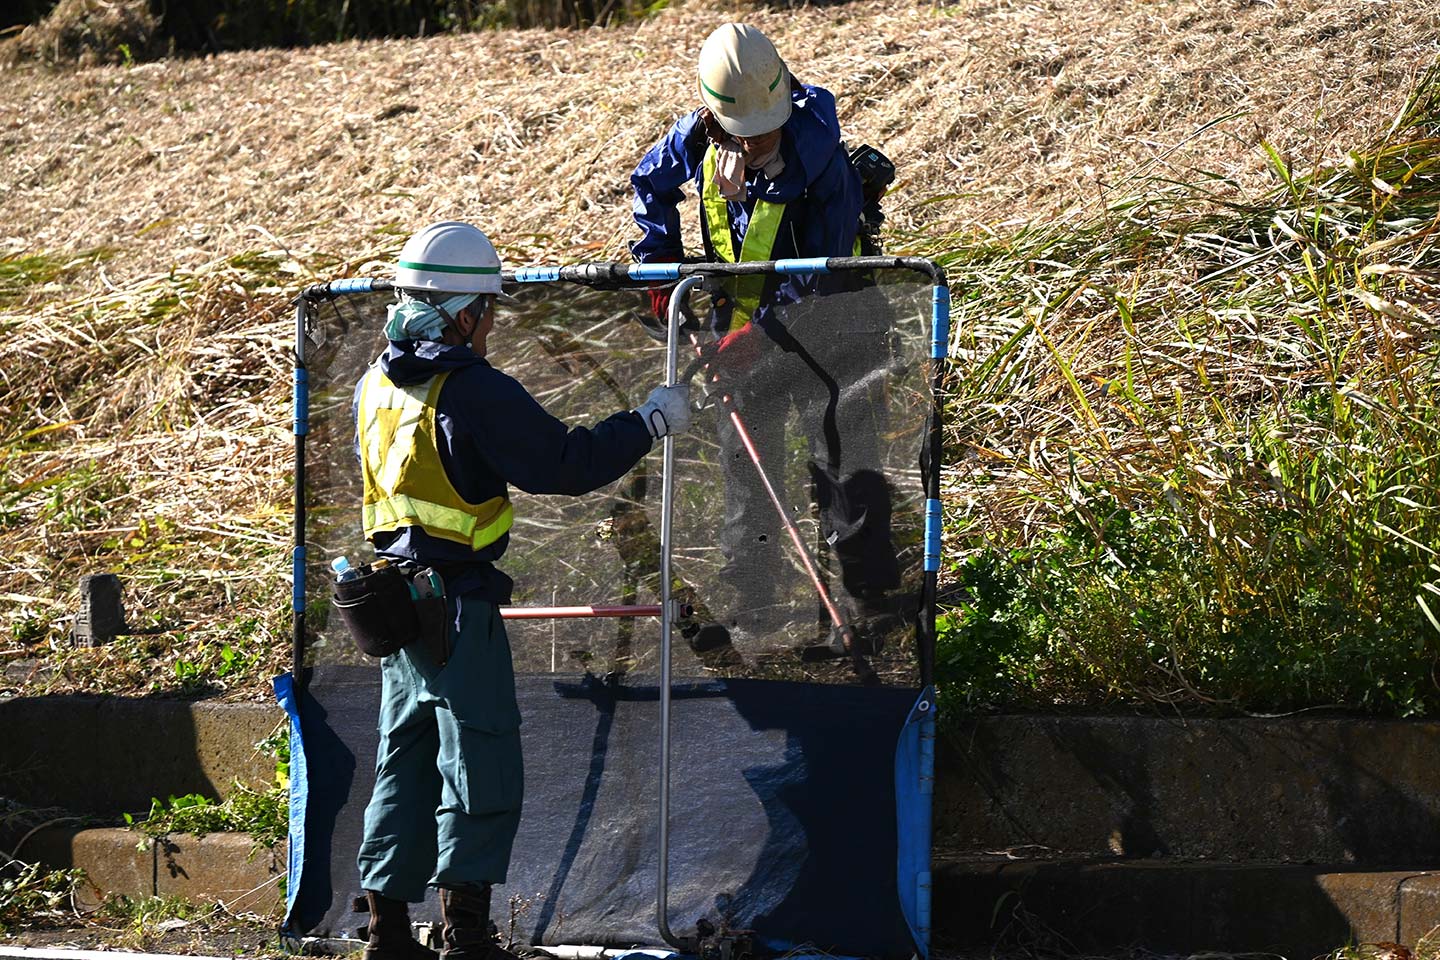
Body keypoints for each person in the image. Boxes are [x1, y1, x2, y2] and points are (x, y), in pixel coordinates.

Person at [351, 221, 690, 960]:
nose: (492, 326)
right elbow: (564, 465)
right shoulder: (471, 390)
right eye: (489, 312)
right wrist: (649, 421)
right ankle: (466, 935)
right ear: (462, 313)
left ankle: (385, 933)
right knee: (481, 758)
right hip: (455, 608)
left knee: (402, 766)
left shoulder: (374, 385)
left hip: (392, 609)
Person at [628, 23, 899, 654]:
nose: (754, 143)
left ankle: (868, 617)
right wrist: (663, 270)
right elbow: (650, 185)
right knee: (747, 477)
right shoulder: (699, 137)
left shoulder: (820, 155)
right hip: (743, 334)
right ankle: (757, 614)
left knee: (845, 477)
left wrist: (760, 334)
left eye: (764, 132)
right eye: (740, 135)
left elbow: (821, 275)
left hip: (834, 329)